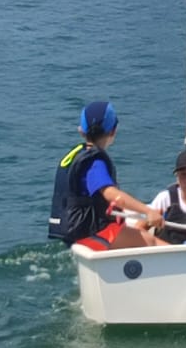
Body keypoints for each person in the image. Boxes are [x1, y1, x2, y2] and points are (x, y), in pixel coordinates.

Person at [48, 100, 162, 250]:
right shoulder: (95, 162)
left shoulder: (76, 155)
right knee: (151, 241)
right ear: (113, 131)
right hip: (91, 234)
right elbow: (111, 194)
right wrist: (148, 211)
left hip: (70, 235)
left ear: (81, 131)